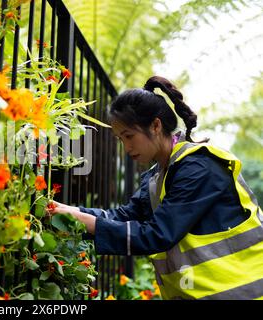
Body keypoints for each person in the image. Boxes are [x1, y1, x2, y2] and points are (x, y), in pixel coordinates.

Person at [46, 76, 263, 300]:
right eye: (121, 139)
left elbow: (158, 234)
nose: (126, 147)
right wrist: (70, 213)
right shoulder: (158, 176)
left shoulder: (199, 168)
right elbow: (123, 217)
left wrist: (82, 219)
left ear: (156, 125)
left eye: (129, 136)